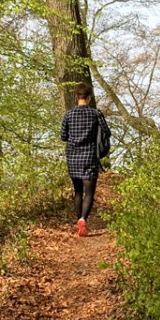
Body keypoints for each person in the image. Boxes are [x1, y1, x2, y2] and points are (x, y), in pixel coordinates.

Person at [60, 86, 111, 236]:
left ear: (77, 97)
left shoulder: (68, 115)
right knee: (88, 192)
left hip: (73, 157)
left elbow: (63, 136)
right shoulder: (95, 113)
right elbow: (107, 132)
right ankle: (83, 219)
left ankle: (79, 222)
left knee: (77, 191)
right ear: (89, 97)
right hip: (89, 157)